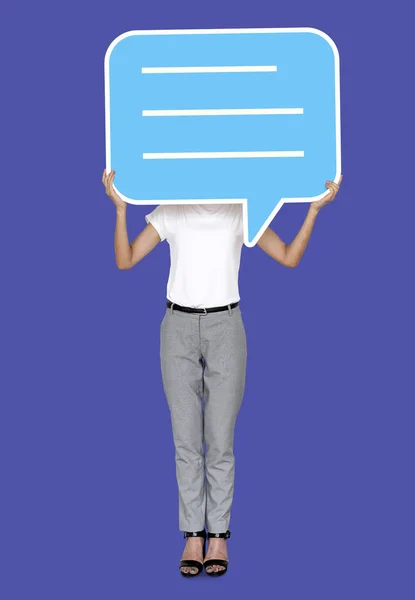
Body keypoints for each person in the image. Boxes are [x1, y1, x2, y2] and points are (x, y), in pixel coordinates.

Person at [102, 169, 343, 577]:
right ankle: (192, 536)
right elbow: (125, 260)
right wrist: (121, 208)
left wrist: (314, 212)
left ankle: (219, 538)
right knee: (185, 440)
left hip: (226, 328)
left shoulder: (240, 211)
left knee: (220, 439)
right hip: (177, 327)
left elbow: (287, 256)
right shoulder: (173, 209)